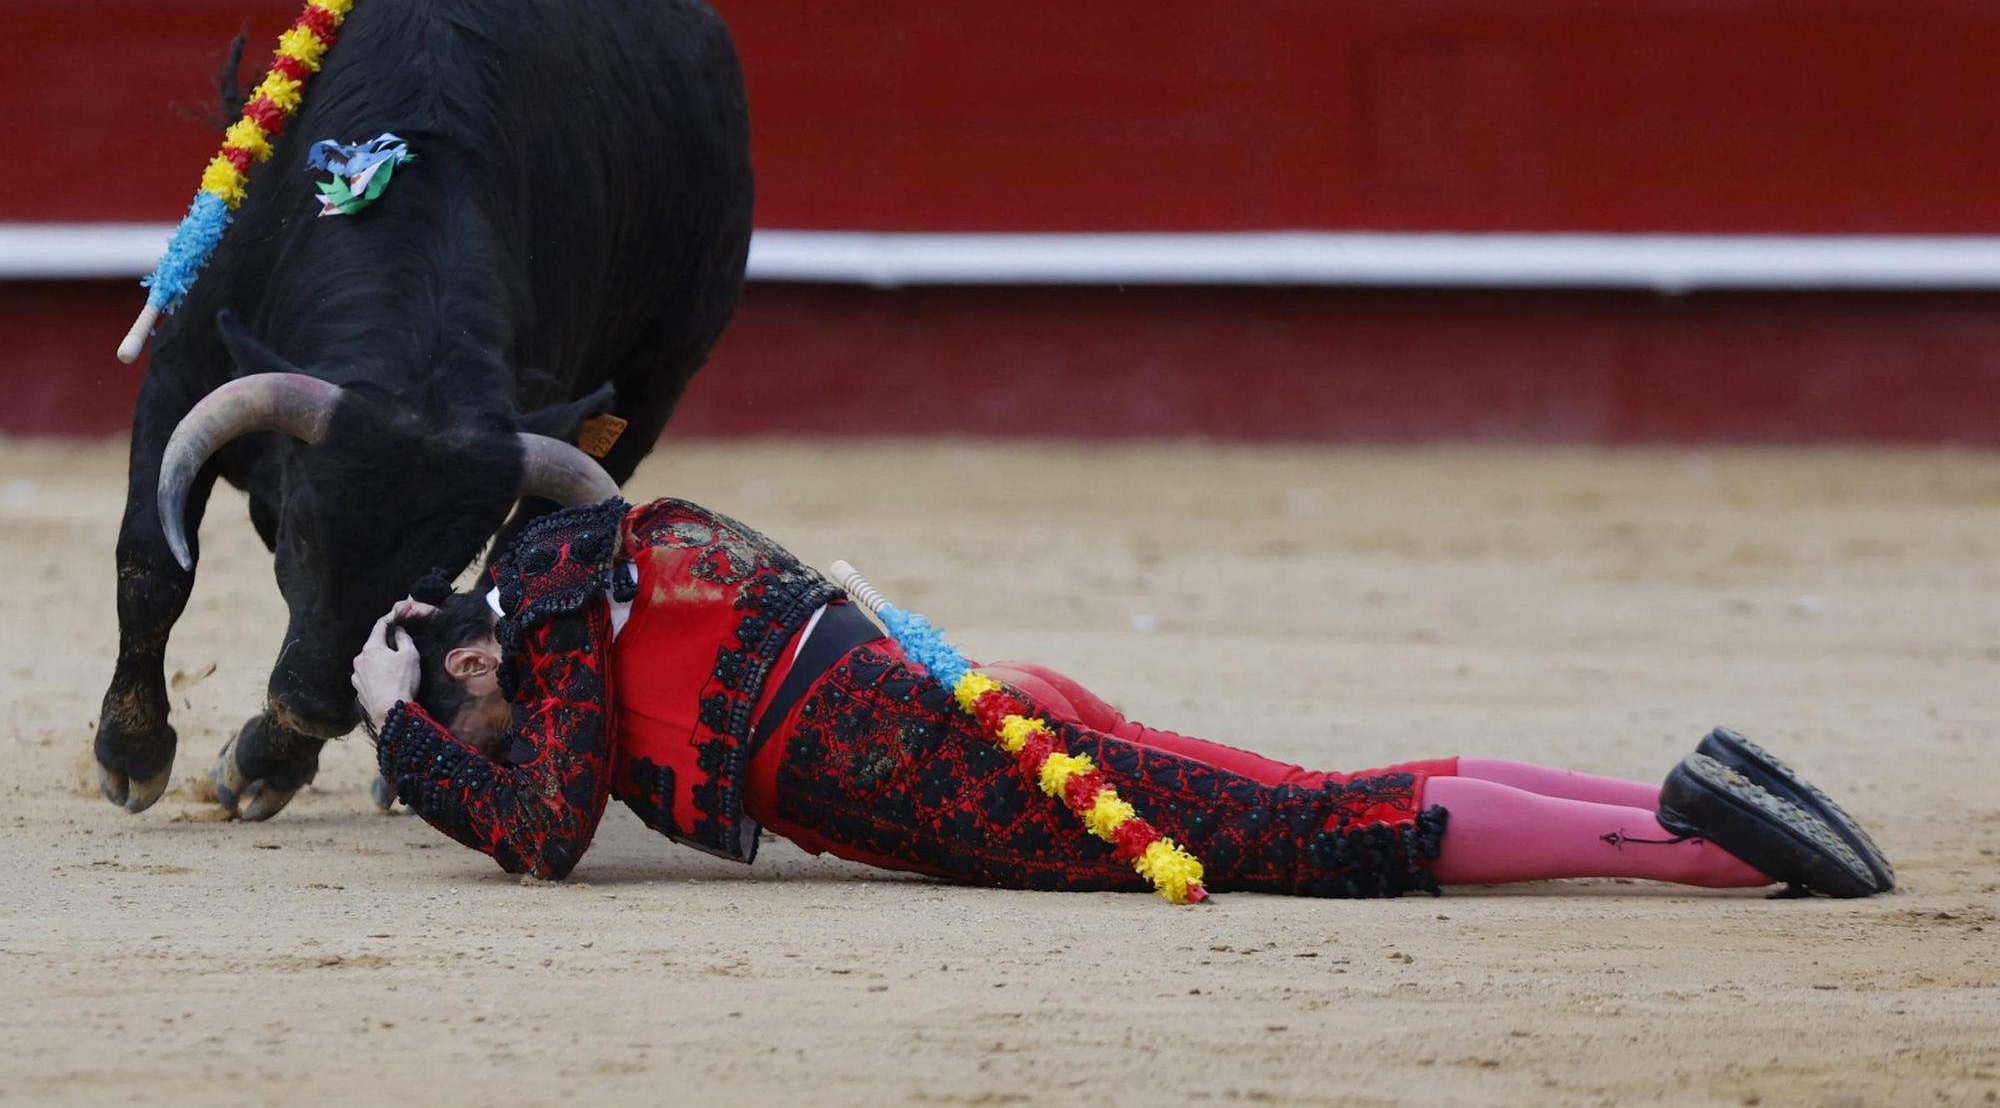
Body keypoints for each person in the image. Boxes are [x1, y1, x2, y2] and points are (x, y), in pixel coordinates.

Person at [354, 497, 1892, 900]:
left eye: (465, 709)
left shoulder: (544, 613)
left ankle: (1709, 839)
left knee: (1301, 826)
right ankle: (1674, 797)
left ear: (474, 659)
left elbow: (539, 828)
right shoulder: (579, 588)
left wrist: (398, 737)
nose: (494, 741)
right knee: (1294, 794)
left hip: (898, 747)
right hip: (918, 705)